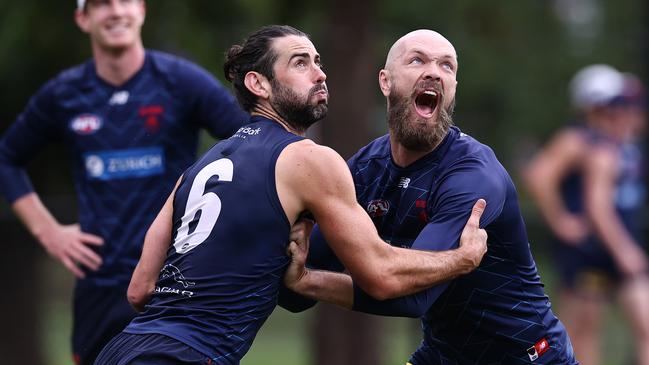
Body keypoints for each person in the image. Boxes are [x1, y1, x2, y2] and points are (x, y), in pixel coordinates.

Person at [93, 24, 489, 365]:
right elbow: (381, 275)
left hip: (122, 348)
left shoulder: (196, 169)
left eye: (318, 61)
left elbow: (140, 289)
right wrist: (461, 259)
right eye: (300, 63)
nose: (320, 74)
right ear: (258, 84)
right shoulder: (308, 158)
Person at [279, 29, 578, 364]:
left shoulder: (472, 175)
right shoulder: (365, 170)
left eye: (447, 66)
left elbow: (412, 298)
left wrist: (310, 283)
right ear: (386, 81)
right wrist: (289, 264)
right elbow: (297, 282)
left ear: (452, 91)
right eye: (417, 60)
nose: (434, 72)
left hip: (528, 356)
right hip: (444, 355)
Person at [0, 0, 251, 364]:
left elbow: (249, 142)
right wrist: (48, 232)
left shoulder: (183, 82)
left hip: (174, 282)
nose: (116, 11)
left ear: (142, 10)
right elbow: (7, 158)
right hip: (98, 287)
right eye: (102, 4)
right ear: (82, 18)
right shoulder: (64, 94)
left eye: (125, 1)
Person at [524, 65, 649, 365]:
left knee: (626, 325)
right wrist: (561, 220)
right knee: (581, 331)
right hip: (588, 249)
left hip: (612, 244)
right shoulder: (579, 139)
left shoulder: (615, 139)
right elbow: (539, 175)